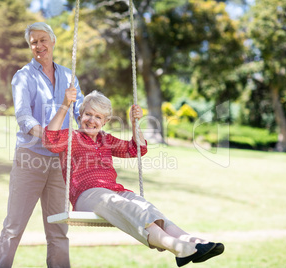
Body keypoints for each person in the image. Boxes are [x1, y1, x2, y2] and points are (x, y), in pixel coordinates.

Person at [42, 90, 224, 267]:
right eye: (88, 114)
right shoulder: (71, 137)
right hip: (88, 195)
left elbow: (137, 149)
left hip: (115, 191)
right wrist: (66, 105)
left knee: (146, 207)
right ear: (80, 115)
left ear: (105, 122)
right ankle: (177, 247)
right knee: (127, 207)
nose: (92, 120)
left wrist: (135, 123)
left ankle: (192, 242)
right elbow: (50, 140)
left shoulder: (106, 139)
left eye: (98, 117)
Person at [0, 22, 84, 268]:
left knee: (58, 230)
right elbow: (23, 116)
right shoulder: (23, 76)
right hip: (30, 158)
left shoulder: (69, 76)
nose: (39, 45)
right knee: (13, 227)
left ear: (53, 41)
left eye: (43, 40)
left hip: (59, 162)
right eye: (33, 42)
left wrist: (103, 117)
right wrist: (44, 134)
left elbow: (83, 111)